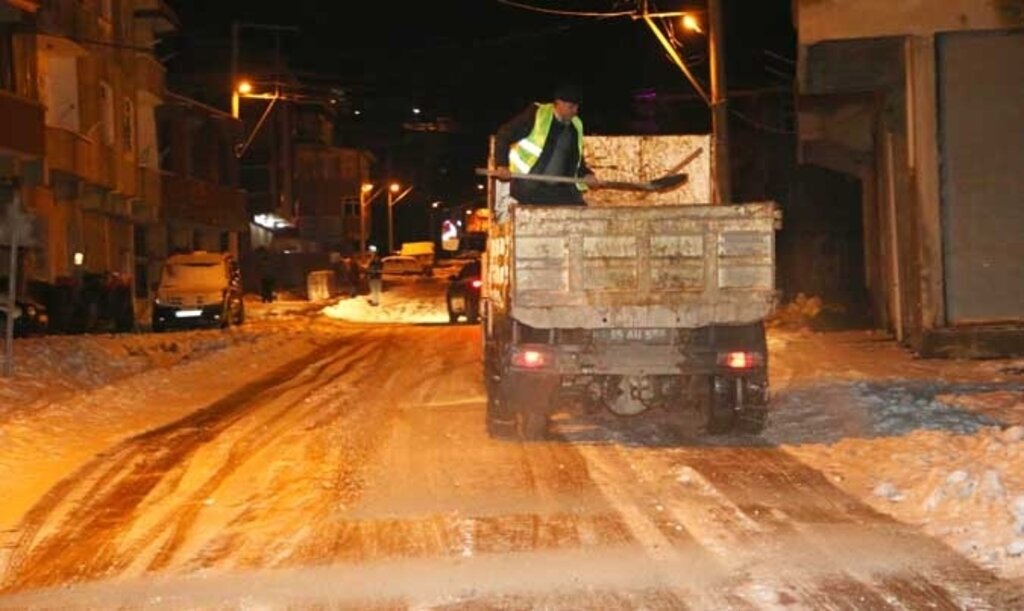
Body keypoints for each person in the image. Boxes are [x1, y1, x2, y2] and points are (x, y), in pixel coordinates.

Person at [492, 82, 599, 205]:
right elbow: (504, 135)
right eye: (571, 107)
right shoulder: (536, 114)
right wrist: (502, 165)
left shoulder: (575, 126)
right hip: (530, 189)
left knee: (581, 218)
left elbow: (576, 161)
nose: (575, 111)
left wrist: (587, 175)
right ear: (558, 103)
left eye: (577, 107)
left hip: (561, 191)